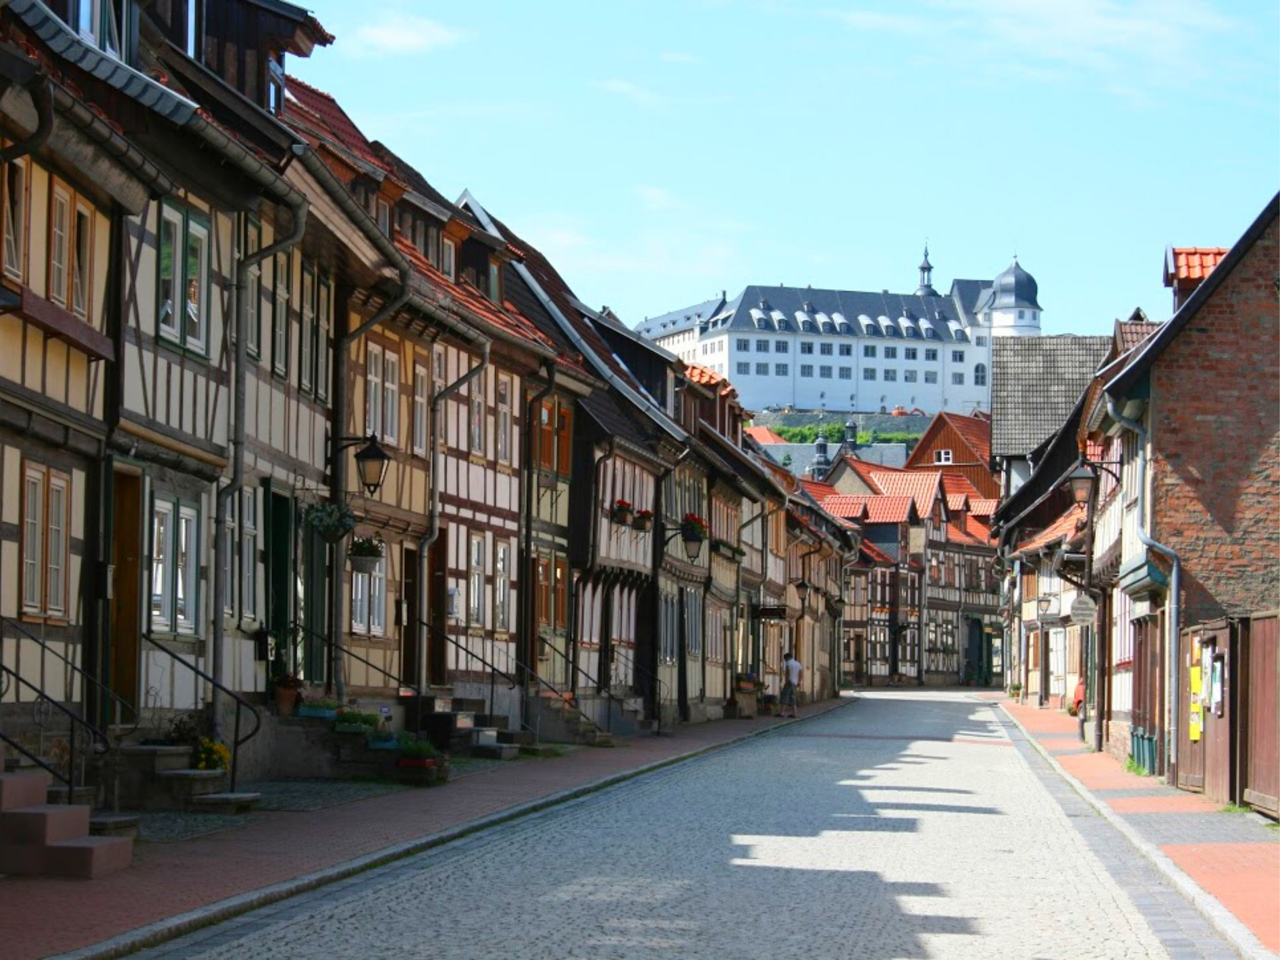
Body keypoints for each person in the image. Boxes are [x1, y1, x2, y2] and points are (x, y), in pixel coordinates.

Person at [780, 651, 804, 719]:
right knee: (793, 698)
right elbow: (801, 674)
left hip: (789, 682)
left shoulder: (788, 663)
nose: (785, 661)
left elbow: (787, 673)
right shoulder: (798, 664)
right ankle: (794, 713)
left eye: (785, 659)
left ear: (787, 658)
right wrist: (798, 682)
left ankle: (782, 712)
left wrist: (787, 681)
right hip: (795, 683)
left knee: (785, 696)